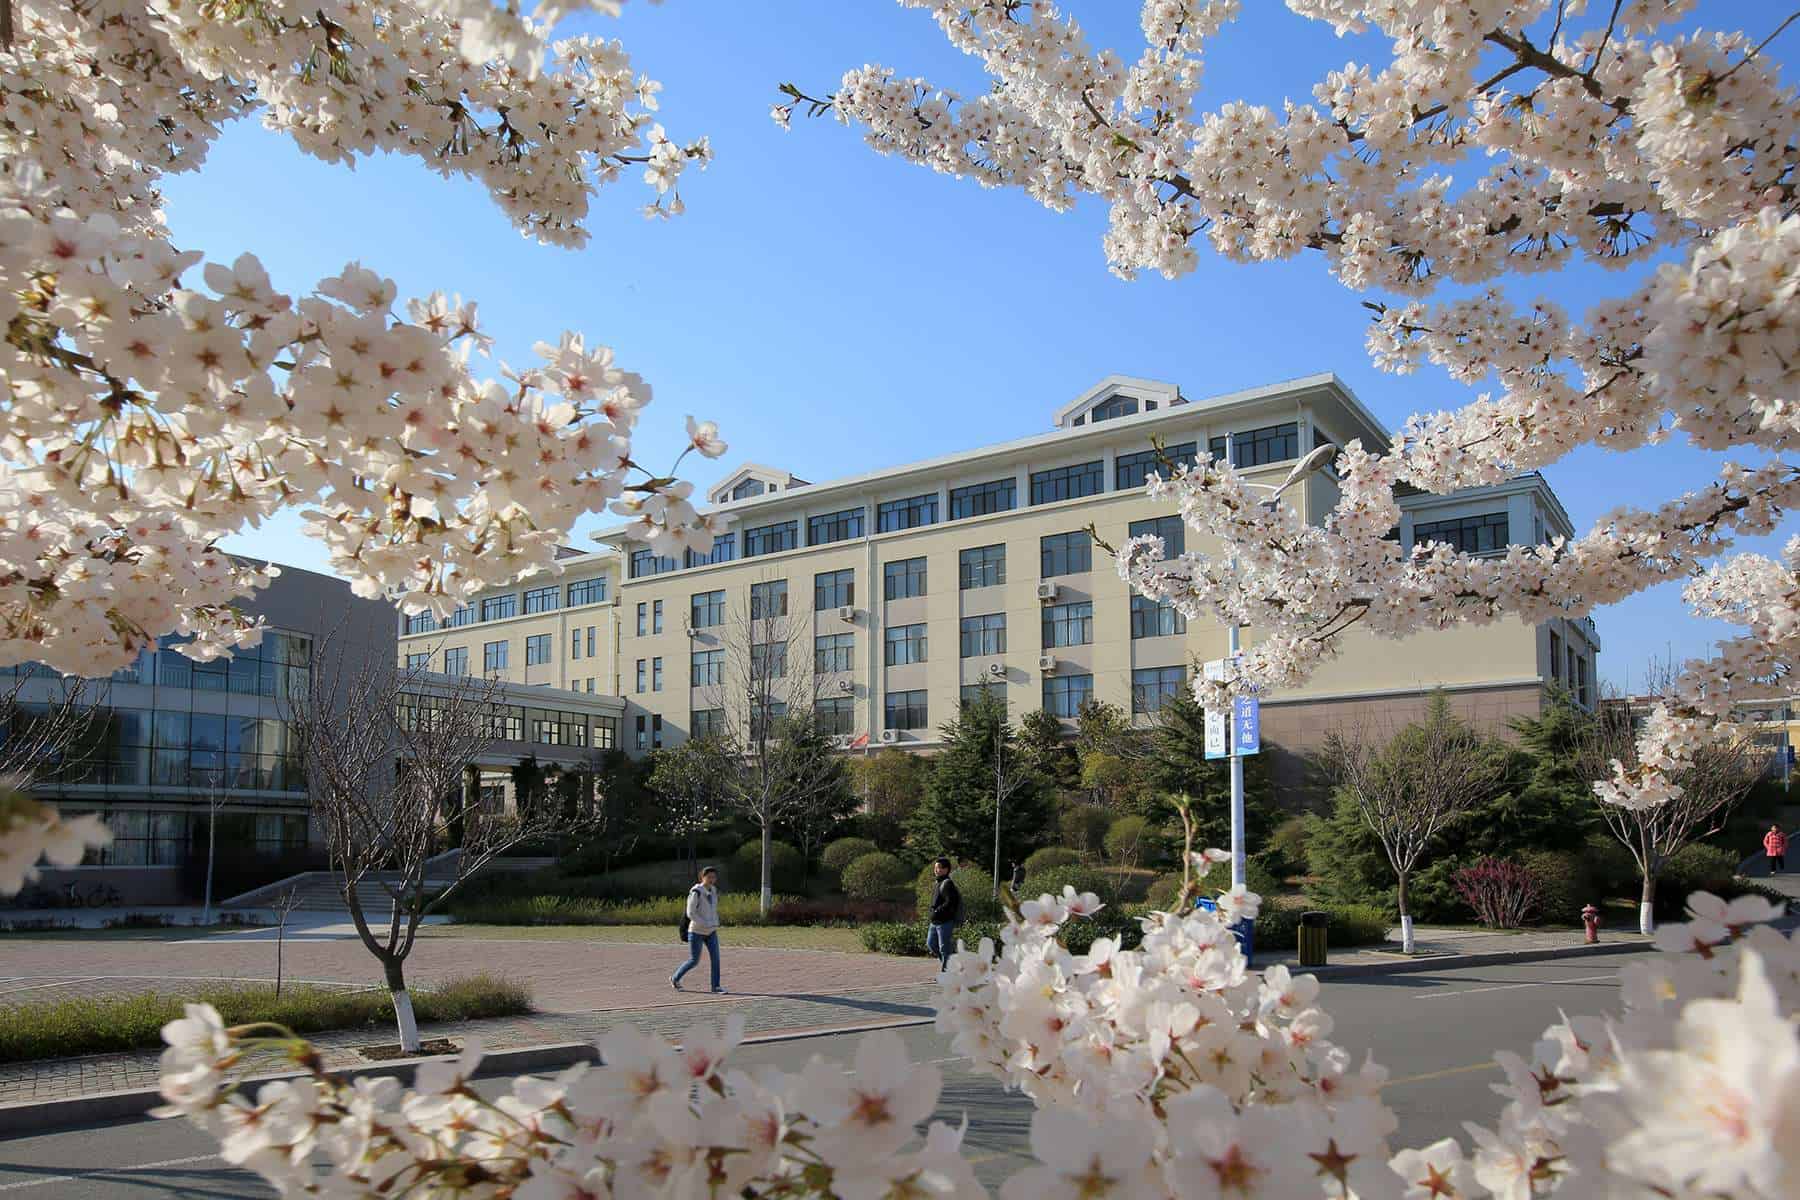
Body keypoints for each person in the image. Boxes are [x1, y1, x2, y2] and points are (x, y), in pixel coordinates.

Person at [673, 865, 724, 993]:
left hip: (711, 931)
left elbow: (713, 909)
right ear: (702, 877)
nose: (712, 880)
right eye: (709, 877)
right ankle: (675, 978)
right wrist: (704, 922)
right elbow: (690, 913)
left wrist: (715, 922)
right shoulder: (696, 892)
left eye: (714, 877)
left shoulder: (713, 890)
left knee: (716, 958)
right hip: (696, 931)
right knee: (694, 961)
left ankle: (716, 986)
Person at [926, 857, 962, 971]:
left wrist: (938, 911)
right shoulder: (938, 882)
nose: (936, 870)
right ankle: (952, 965)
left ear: (946, 870)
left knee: (944, 948)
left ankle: (946, 971)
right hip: (935, 922)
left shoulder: (947, 884)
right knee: (931, 944)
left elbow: (952, 902)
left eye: (939, 868)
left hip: (945, 922)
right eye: (935, 868)